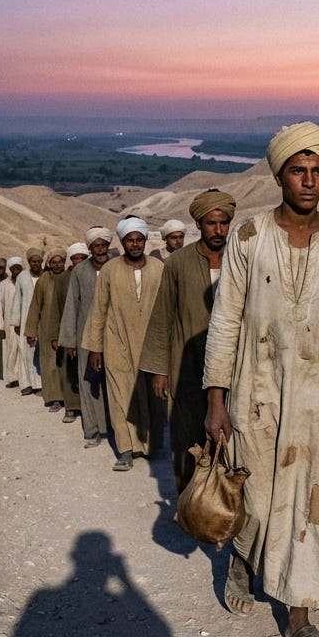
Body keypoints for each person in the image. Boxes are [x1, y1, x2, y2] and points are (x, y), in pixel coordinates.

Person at [203, 122, 319, 637]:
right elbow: (226, 317)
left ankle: (299, 615)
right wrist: (216, 396)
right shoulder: (249, 237)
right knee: (255, 500)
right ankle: (242, 557)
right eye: (298, 171)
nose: (308, 181)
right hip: (257, 396)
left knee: (314, 506)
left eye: (318, 171)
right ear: (279, 176)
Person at [140, 189, 236, 491]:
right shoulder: (178, 263)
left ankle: (228, 500)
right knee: (187, 431)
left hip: (235, 363)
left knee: (234, 433)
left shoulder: (240, 259)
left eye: (223, 223)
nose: (218, 231)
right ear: (198, 224)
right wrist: (159, 369)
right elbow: (162, 316)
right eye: (211, 224)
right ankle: (190, 500)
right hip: (188, 363)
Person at [84, 216, 166, 471]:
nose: (135, 244)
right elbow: (98, 309)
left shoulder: (158, 268)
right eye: (129, 240)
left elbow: (168, 308)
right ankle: (126, 450)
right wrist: (95, 347)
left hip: (151, 344)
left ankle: (150, 445)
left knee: (153, 397)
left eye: (139, 239)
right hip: (116, 341)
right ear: (122, 241)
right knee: (120, 395)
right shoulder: (109, 270)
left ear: (144, 240)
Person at [60, 228, 113, 448]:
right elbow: (72, 305)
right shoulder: (79, 271)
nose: (100, 250)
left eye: (103, 245)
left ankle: (114, 428)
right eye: (96, 246)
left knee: (114, 382)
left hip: (114, 334)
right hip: (85, 334)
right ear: (89, 248)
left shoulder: (116, 267)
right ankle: (93, 430)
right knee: (88, 381)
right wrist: (70, 340)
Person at [26, 247, 74, 412]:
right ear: (49, 264)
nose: (57, 265)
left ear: (64, 262)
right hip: (46, 329)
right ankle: (54, 398)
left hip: (68, 327)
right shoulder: (44, 280)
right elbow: (35, 306)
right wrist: (31, 331)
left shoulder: (70, 278)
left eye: (59, 262)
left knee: (68, 365)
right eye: (53, 262)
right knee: (50, 364)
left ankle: (71, 399)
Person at [11, 248, 44, 396]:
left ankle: (41, 384)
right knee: (25, 351)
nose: (36, 264)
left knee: (40, 351)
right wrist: (16, 321)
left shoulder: (47, 276)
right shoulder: (22, 277)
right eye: (33, 262)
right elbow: (17, 299)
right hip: (25, 319)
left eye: (38, 261)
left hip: (43, 319)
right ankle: (26, 383)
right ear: (29, 262)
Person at [0, 257, 24, 388]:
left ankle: (26, 380)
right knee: (11, 350)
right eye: (13, 268)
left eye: (18, 268)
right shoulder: (4, 284)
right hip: (9, 323)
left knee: (25, 351)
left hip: (25, 322)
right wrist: (0, 327)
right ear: (10, 270)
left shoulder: (26, 281)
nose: (16, 270)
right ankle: (13, 378)